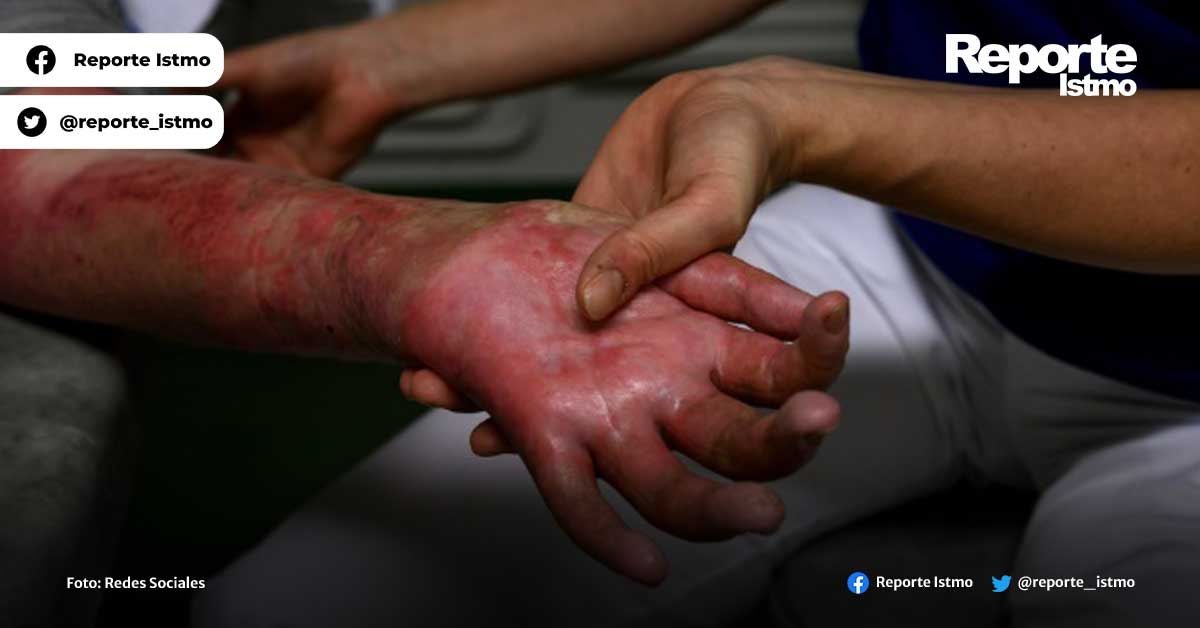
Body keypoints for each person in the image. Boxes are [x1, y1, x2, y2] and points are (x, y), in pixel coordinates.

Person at [203, 1, 1200, 627]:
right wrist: (392, 62)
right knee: (295, 602)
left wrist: (801, 114)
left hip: (1182, 393)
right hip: (911, 246)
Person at [0, 2, 852, 626]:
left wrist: (784, 111)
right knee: (275, 609)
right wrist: (387, 91)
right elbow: (34, 169)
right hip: (874, 226)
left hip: (916, 215)